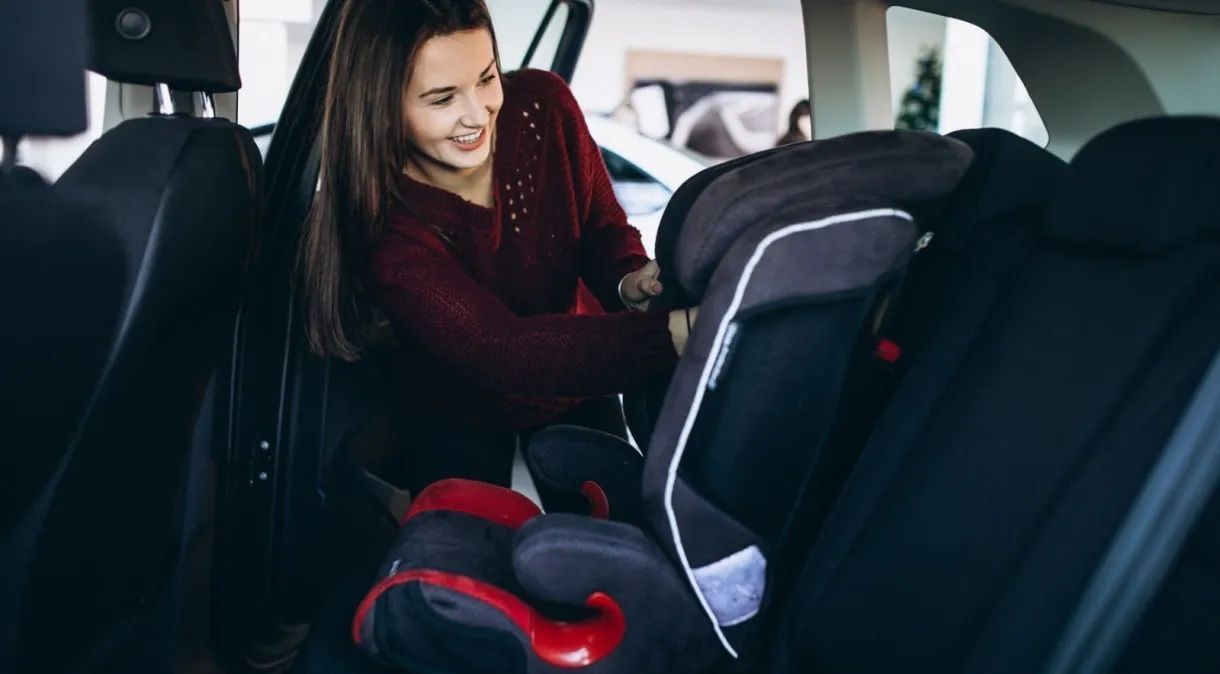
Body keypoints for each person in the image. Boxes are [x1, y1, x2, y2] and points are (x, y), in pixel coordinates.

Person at [298, 0, 697, 505]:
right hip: (450, 411)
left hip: (581, 377)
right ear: (382, 105)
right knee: (460, 561)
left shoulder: (544, 107)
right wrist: (680, 332)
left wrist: (627, 282)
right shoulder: (384, 225)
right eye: (442, 99)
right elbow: (501, 349)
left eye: (486, 78)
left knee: (611, 546)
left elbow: (601, 226)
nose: (477, 113)